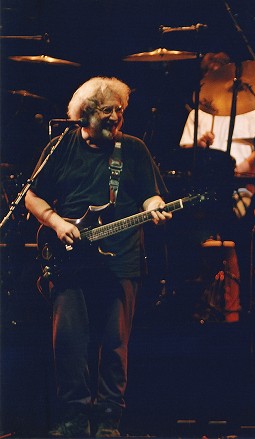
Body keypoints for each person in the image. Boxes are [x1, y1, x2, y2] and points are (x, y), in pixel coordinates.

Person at [25, 76, 172, 437]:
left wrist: (155, 206)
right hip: (70, 260)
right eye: (107, 111)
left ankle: (109, 420)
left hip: (120, 259)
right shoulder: (60, 147)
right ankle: (73, 418)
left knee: (115, 345)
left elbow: (151, 195)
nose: (116, 117)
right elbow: (31, 196)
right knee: (69, 343)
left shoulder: (133, 149)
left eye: (119, 111)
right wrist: (57, 222)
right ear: (85, 114)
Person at [176, 52, 255, 323]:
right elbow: (185, 154)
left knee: (241, 228)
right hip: (210, 189)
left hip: (245, 185)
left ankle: (240, 302)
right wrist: (199, 145)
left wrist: (246, 166)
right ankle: (203, 299)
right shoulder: (198, 115)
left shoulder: (254, 112)